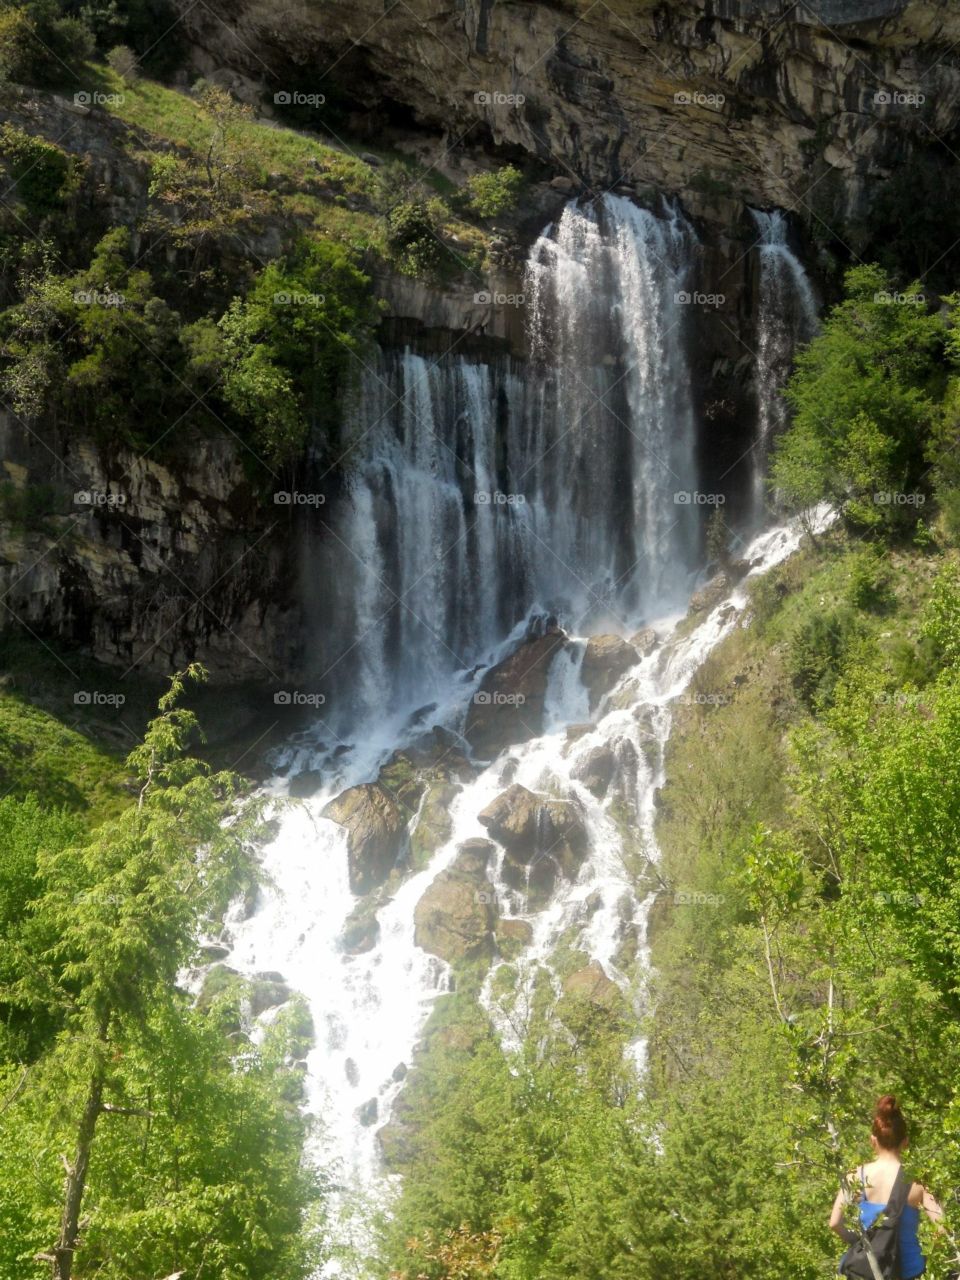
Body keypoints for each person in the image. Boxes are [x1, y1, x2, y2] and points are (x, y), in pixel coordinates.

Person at [830, 1094, 944, 1278]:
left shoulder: (855, 1176)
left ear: (872, 1140)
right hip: (909, 1269)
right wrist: (926, 1253)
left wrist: (860, 1243)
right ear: (905, 1142)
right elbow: (942, 1227)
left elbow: (835, 1223)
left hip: (867, 1269)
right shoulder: (919, 1180)